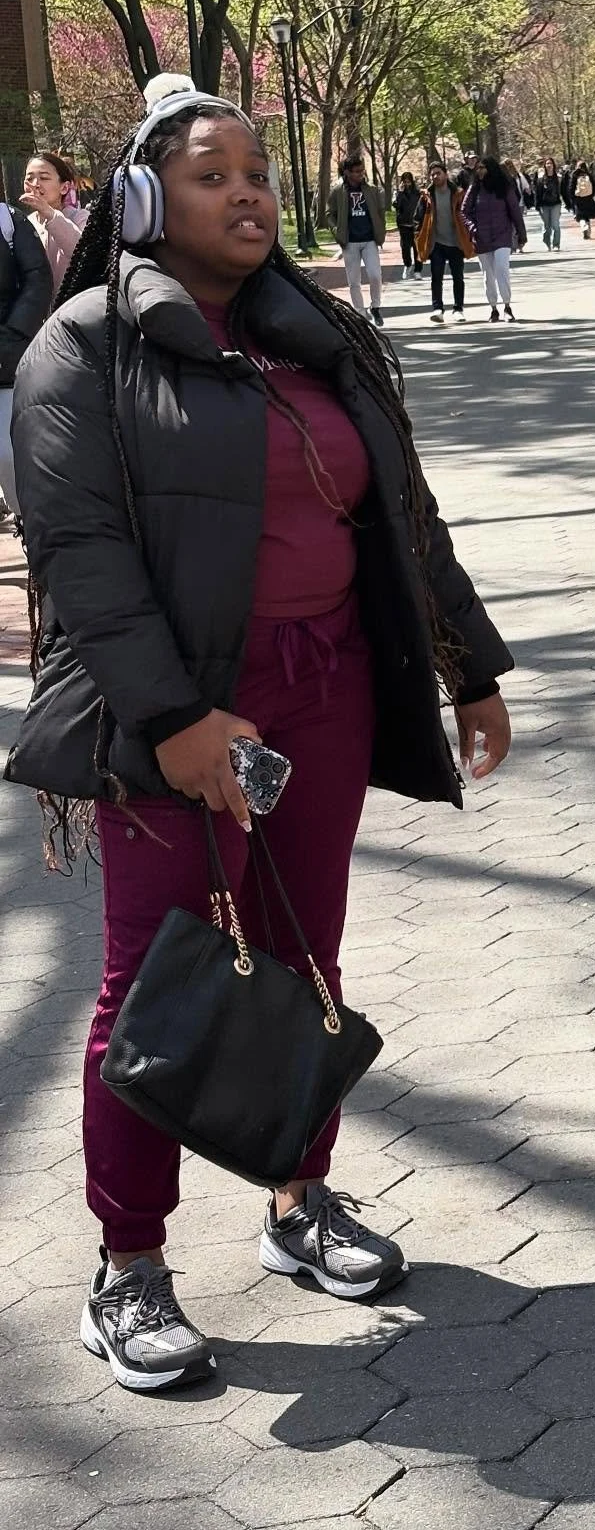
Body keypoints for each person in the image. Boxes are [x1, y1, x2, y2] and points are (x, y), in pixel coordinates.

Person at [3, 76, 514, 1392]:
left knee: (304, 957)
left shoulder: (324, 337)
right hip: (176, 714)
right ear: (141, 200)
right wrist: (176, 721)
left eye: (257, 173)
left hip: (325, 690)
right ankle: (127, 1265)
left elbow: (403, 516)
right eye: (211, 174)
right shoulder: (82, 349)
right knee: (153, 982)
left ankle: (300, 1201)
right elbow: (81, 554)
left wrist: (468, 665)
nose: (246, 194)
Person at [0, 177, 55, 521]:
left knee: (10, 455)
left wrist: (12, 334)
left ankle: (28, 527)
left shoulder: (9, 221)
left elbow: (38, 279)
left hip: (6, 361)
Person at [461, 156, 527, 323]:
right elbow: (464, 211)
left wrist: (521, 234)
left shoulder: (504, 187)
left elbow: (515, 211)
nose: (480, 171)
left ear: (491, 169)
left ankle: (507, 306)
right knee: (488, 275)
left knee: (501, 269)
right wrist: (472, 228)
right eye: (478, 168)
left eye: (483, 168)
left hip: (502, 235)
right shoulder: (474, 188)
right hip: (481, 237)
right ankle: (493, 308)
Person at [327, 156, 387, 328]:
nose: (361, 174)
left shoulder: (372, 190)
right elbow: (329, 214)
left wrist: (380, 230)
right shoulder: (338, 191)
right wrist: (337, 231)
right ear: (347, 172)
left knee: (375, 275)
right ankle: (360, 312)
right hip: (350, 241)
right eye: (357, 171)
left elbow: (380, 212)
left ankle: (375, 306)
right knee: (354, 281)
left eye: (362, 170)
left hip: (369, 240)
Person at [415, 161, 474, 323]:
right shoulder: (427, 196)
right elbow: (418, 218)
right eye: (432, 174)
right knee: (436, 277)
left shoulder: (458, 193)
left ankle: (458, 309)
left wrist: (468, 233)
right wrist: (418, 236)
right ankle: (438, 309)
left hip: (456, 241)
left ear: (446, 174)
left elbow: (467, 213)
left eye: (438, 173)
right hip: (436, 243)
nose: (435, 176)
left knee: (458, 277)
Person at [21, 151, 89, 292]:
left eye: (44, 178)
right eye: (30, 178)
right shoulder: (23, 223)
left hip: (74, 301)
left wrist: (50, 214)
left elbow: (84, 254)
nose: (35, 184)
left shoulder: (81, 218)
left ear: (64, 188)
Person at [392, 171, 423, 278]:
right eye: (405, 182)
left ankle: (418, 271)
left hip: (416, 225)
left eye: (408, 181)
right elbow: (396, 205)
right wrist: (400, 193)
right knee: (405, 248)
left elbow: (421, 206)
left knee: (417, 249)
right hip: (404, 224)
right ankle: (408, 265)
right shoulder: (399, 193)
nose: (407, 184)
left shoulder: (417, 193)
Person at [535, 156, 564, 250]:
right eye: (547, 163)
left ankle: (556, 244)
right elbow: (538, 193)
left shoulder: (558, 178)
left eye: (550, 163)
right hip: (544, 205)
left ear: (553, 165)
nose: (549, 165)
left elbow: (563, 191)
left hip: (556, 204)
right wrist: (537, 205)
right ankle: (547, 241)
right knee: (547, 226)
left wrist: (568, 203)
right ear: (545, 165)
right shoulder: (541, 179)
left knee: (555, 225)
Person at [569, 161, 595, 239]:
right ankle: (588, 232)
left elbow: (571, 187)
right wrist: (591, 195)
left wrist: (572, 197)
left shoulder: (575, 175)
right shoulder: (588, 174)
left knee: (580, 216)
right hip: (588, 199)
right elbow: (594, 187)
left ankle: (584, 227)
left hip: (578, 198)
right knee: (587, 216)